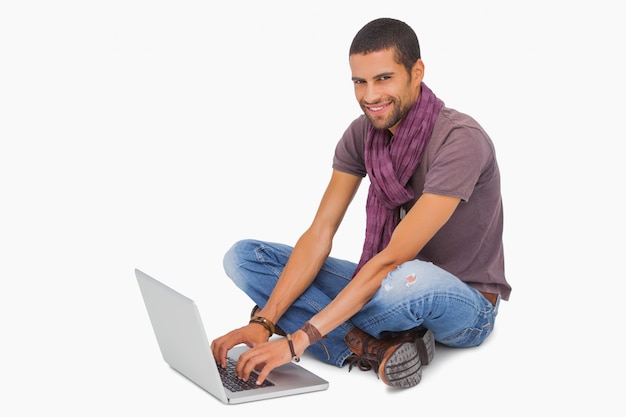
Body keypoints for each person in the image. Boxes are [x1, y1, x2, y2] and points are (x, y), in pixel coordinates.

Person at [211, 17, 511, 389]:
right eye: (360, 81)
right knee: (243, 257)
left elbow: (393, 257)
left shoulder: (460, 140)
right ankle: (373, 347)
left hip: (461, 301)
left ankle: (323, 327)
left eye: (384, 78)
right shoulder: (362, 135)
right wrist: (265, 322)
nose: (370, 96)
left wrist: (295, 341)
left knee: (404, 280)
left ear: (416, 72)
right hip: (385, 279)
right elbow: (320, 233)